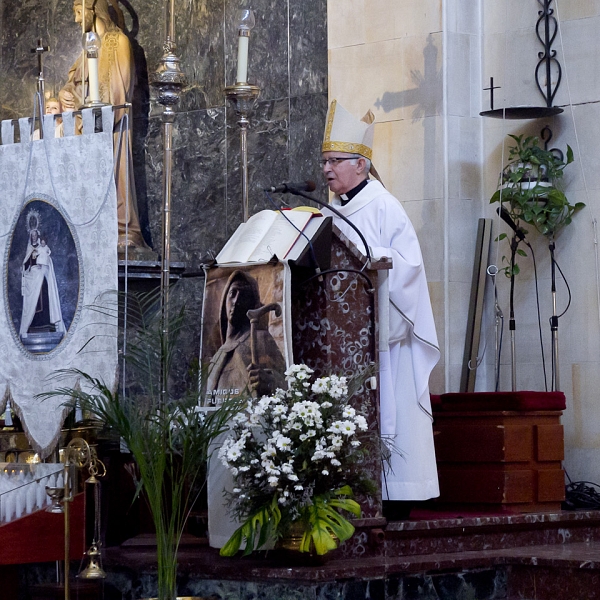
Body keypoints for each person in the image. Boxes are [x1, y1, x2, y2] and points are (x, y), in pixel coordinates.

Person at [320, 99, 441, 515]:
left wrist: (375, 257)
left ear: (361, 165)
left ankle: (396, 499)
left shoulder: (385, 206)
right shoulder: (329, 212)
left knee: (393, 418)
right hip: (343, 344)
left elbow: (408, 269)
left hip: (385, 342)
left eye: (335, 160)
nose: (327, 169)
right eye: (324, 161)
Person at [59, 0, 148, 253]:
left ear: (91, 9)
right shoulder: (86, 49)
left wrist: (91, 111)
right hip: (85, 132)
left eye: (78, 12)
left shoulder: (117, 42)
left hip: (112, 130)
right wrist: (68, 94)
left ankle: (124, 230)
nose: (77, 20)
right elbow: (74, 84)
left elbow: (120, 92)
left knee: (117, 179)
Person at [205, 269, 286, 403]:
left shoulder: (260, 339)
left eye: (244, 296)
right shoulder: (217, 356)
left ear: (252, 304)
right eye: (233, 293)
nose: (236, 301)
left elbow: (285, 385)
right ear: (225, 300)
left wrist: (269, 381)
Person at [20, 229, 65, 340]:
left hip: (41, 276)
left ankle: (46, 323)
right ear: (30, 237)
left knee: (44, 295)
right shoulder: (30, 249)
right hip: (33, 276)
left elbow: (47, 259)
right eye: (32, 235)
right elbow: (26, 264)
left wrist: (44, 266)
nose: (34, 237)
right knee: (33, 301)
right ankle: (34, 324)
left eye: (35, 235)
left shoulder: (43, 248)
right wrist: (26, 268)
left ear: (38, 236)